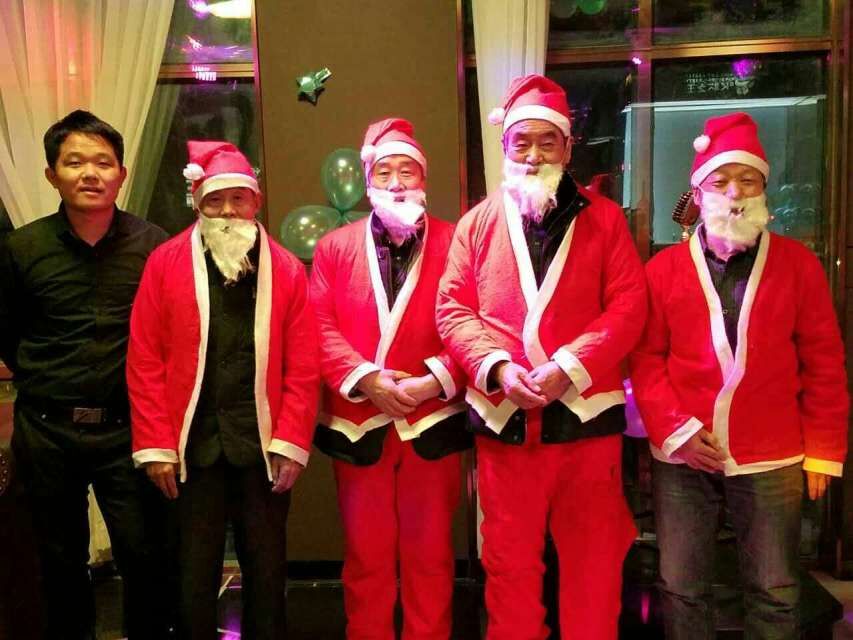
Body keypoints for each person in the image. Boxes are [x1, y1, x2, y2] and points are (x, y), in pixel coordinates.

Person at [436, 74, 647, 639]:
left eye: (546, 142)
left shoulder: (606, 220)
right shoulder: (475, 225)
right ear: (504, 148)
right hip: (505, 424)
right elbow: (453, 309)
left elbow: (629, 306)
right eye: (521, 143)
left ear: (567, 148)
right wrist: (498, 368)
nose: (533, 155)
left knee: (594, 563)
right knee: (507, 565)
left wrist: (569, 367)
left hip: (587, 424)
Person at [630, 112, 849, 640]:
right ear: (698, 193)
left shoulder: (799, 266)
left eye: (748, 180)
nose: (734, 193)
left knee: (775, 589)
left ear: (763, 189)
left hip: (773, 451)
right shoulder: (662, 271)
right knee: (682, 586)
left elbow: (823, 360)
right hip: (684, 453)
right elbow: (646, 358)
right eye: (721, 181)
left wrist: (823, 448)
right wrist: (675, 430)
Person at [126, 140, 320, 639]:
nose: (228, 211)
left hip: (263, 448)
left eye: (239, 198)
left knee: (267, 571)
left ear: (256, 202)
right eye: (215, 200)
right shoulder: (164, 263)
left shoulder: (287, 270)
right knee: (191, 575)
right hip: (192, 449)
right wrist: (156, 445)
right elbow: (144, 359)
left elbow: (303, 365)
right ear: (197, 204)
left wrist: (292, 442)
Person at [0, 109, 171, 639]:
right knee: (58, 562)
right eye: (74, 162)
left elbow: (170, 336)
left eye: (103, 162)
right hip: (47, 430)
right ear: (52, 174)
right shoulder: (22, 249)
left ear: (121, 173)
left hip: (129, 430)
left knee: (144, 556)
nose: (90, 173)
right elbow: (8, 332)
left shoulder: (154, 246)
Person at [310, 118, 471, 640]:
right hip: (360, 421)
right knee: (366, 557)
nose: (397, 182)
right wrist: (366, 379)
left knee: (432, 557)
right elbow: (319, 325)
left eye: (407, 171)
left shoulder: (458, 240)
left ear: (423, 179)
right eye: (385, 172)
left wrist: (434, 380)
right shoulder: (334, 247)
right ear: (368, 181)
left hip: (433, 419)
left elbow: (478, 320)